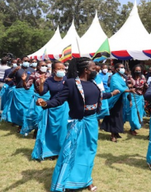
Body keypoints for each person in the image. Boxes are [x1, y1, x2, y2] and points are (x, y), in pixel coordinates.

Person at [36, 57, 119, 192]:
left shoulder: (93, 83)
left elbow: (99, 96)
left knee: (89, 153)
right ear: (86, 70)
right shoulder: (71, 83)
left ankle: (86, 180)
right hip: (77, 123)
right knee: (70, 153)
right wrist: (45, 103)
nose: (96, 70)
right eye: (93, 68)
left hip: (92, 123)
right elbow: (58, 100)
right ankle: (66, 182)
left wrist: (112, 94)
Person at [31, 61, 69, 160]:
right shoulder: (49, 81)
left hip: (64, 108)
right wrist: (42, 83)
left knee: (63, 129)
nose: (62, 70)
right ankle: (51, 151)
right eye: (59, 69)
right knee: (51, 131)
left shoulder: (67, 80)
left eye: (63, 68)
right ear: (54, 70)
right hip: (51, 108)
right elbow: (42, 92)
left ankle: (61, 150)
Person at [101, 63, 133, 143]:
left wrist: (130, 99)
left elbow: (126, 86)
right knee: (114, 117)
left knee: (120, 116)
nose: (123, 69)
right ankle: (113, 135)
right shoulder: (113, 77)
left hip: (122, 99)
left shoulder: (124, 77)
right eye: (121, 67)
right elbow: (117, 87)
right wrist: (128, 90)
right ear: (116, 69)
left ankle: (117, 132)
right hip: (114, 99)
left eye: (123, 67)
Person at [20, 61, 51, 136]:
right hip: (38, 97)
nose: (44, 67)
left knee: (46, 116)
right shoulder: (34, 75)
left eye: (45, 65)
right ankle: (36, 130)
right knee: (37, 115)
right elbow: (27, 87)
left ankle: (41, 132)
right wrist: (24, 81)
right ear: (38, 67)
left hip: (48, 98)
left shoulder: (50, 75)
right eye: (42, 65)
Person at [6, 57, 35, 132]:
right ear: (21, 61)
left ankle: (22, 125)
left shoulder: (32, 70)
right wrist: (14, 71)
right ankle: (19, 123)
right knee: (20, 109)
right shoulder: (17, 69)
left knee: (27, 110)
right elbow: (7, 78)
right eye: (25, 61)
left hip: (29, 92)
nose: (26, 62)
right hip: (19, 92)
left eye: (28, 61)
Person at [126, 64, 148, 135]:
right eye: (136, 70)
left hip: (140, 97)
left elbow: (145, 86)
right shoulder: (130, 77)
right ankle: (133, 127)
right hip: (133, 96)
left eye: (139, 70)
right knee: (133, 113)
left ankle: (133, 128)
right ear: (133, 71)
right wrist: (131, 86)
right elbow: (127, 86)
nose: (138, 71)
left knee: (140, 112)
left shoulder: (143, 77)